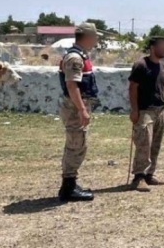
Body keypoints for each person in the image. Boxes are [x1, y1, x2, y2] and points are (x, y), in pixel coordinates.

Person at [57, 22, 101, 202]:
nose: (96, 40)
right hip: (75, 107)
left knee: (78, 144)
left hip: (77, 106)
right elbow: (72, 85)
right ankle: (68, 188)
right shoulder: (75, 58)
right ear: (88, 37)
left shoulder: (80, 55)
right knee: (75, 145)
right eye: (95, 36)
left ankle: (71, 183)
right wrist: (82, 109)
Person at [128, 36, 164, 192]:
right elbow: (132, 88)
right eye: (162, 46)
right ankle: (138, 177)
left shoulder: (162, 67)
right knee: (143, 143)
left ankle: (149, 174)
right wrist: (134, 110)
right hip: (145, 110)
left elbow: (162, 86)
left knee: (155, 144)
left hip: (159, 110)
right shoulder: (140, 65)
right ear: (153, 47)